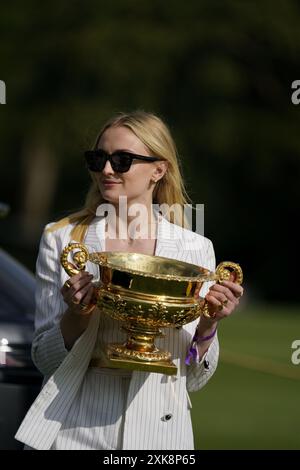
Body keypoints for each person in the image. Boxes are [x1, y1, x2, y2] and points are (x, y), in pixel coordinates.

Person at [15, 111, 243, 450]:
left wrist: (208, 327)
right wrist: (76, 315)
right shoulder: (61, 240)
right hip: (73, 429)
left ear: (159, 169)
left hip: (161, 435)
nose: (107, 170)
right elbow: (43, 359)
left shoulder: (195, 249)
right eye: (98, 159)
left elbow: (194, 377)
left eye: (122, 160)